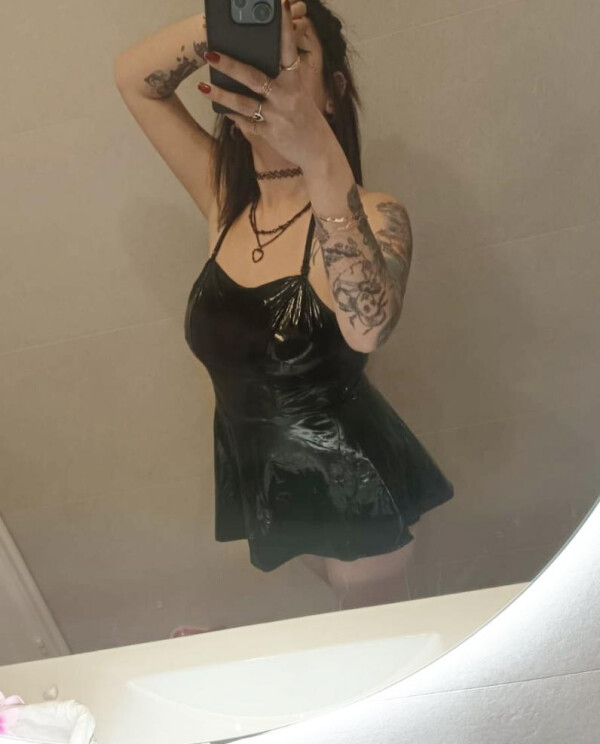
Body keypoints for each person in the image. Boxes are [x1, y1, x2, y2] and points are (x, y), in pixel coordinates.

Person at [115, 0, 454, 611]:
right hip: (274, 485)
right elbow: (134, 79)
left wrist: (317, 150)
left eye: (294, 57)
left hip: (355, 489)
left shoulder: (377, 214)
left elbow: (368, 329)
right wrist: (230, 27)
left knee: (376, 647)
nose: (268, 73)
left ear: (334, 92)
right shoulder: (225, 200)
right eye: (255, 61)